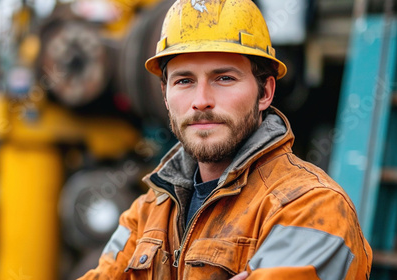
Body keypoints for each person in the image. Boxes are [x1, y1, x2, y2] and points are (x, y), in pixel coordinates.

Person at [79, 0, 373, 279]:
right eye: (184, 81)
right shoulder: (147, 213)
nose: (202, 101)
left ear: (265, 93)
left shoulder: (311, 208)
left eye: (224, 78)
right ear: (165, 96)